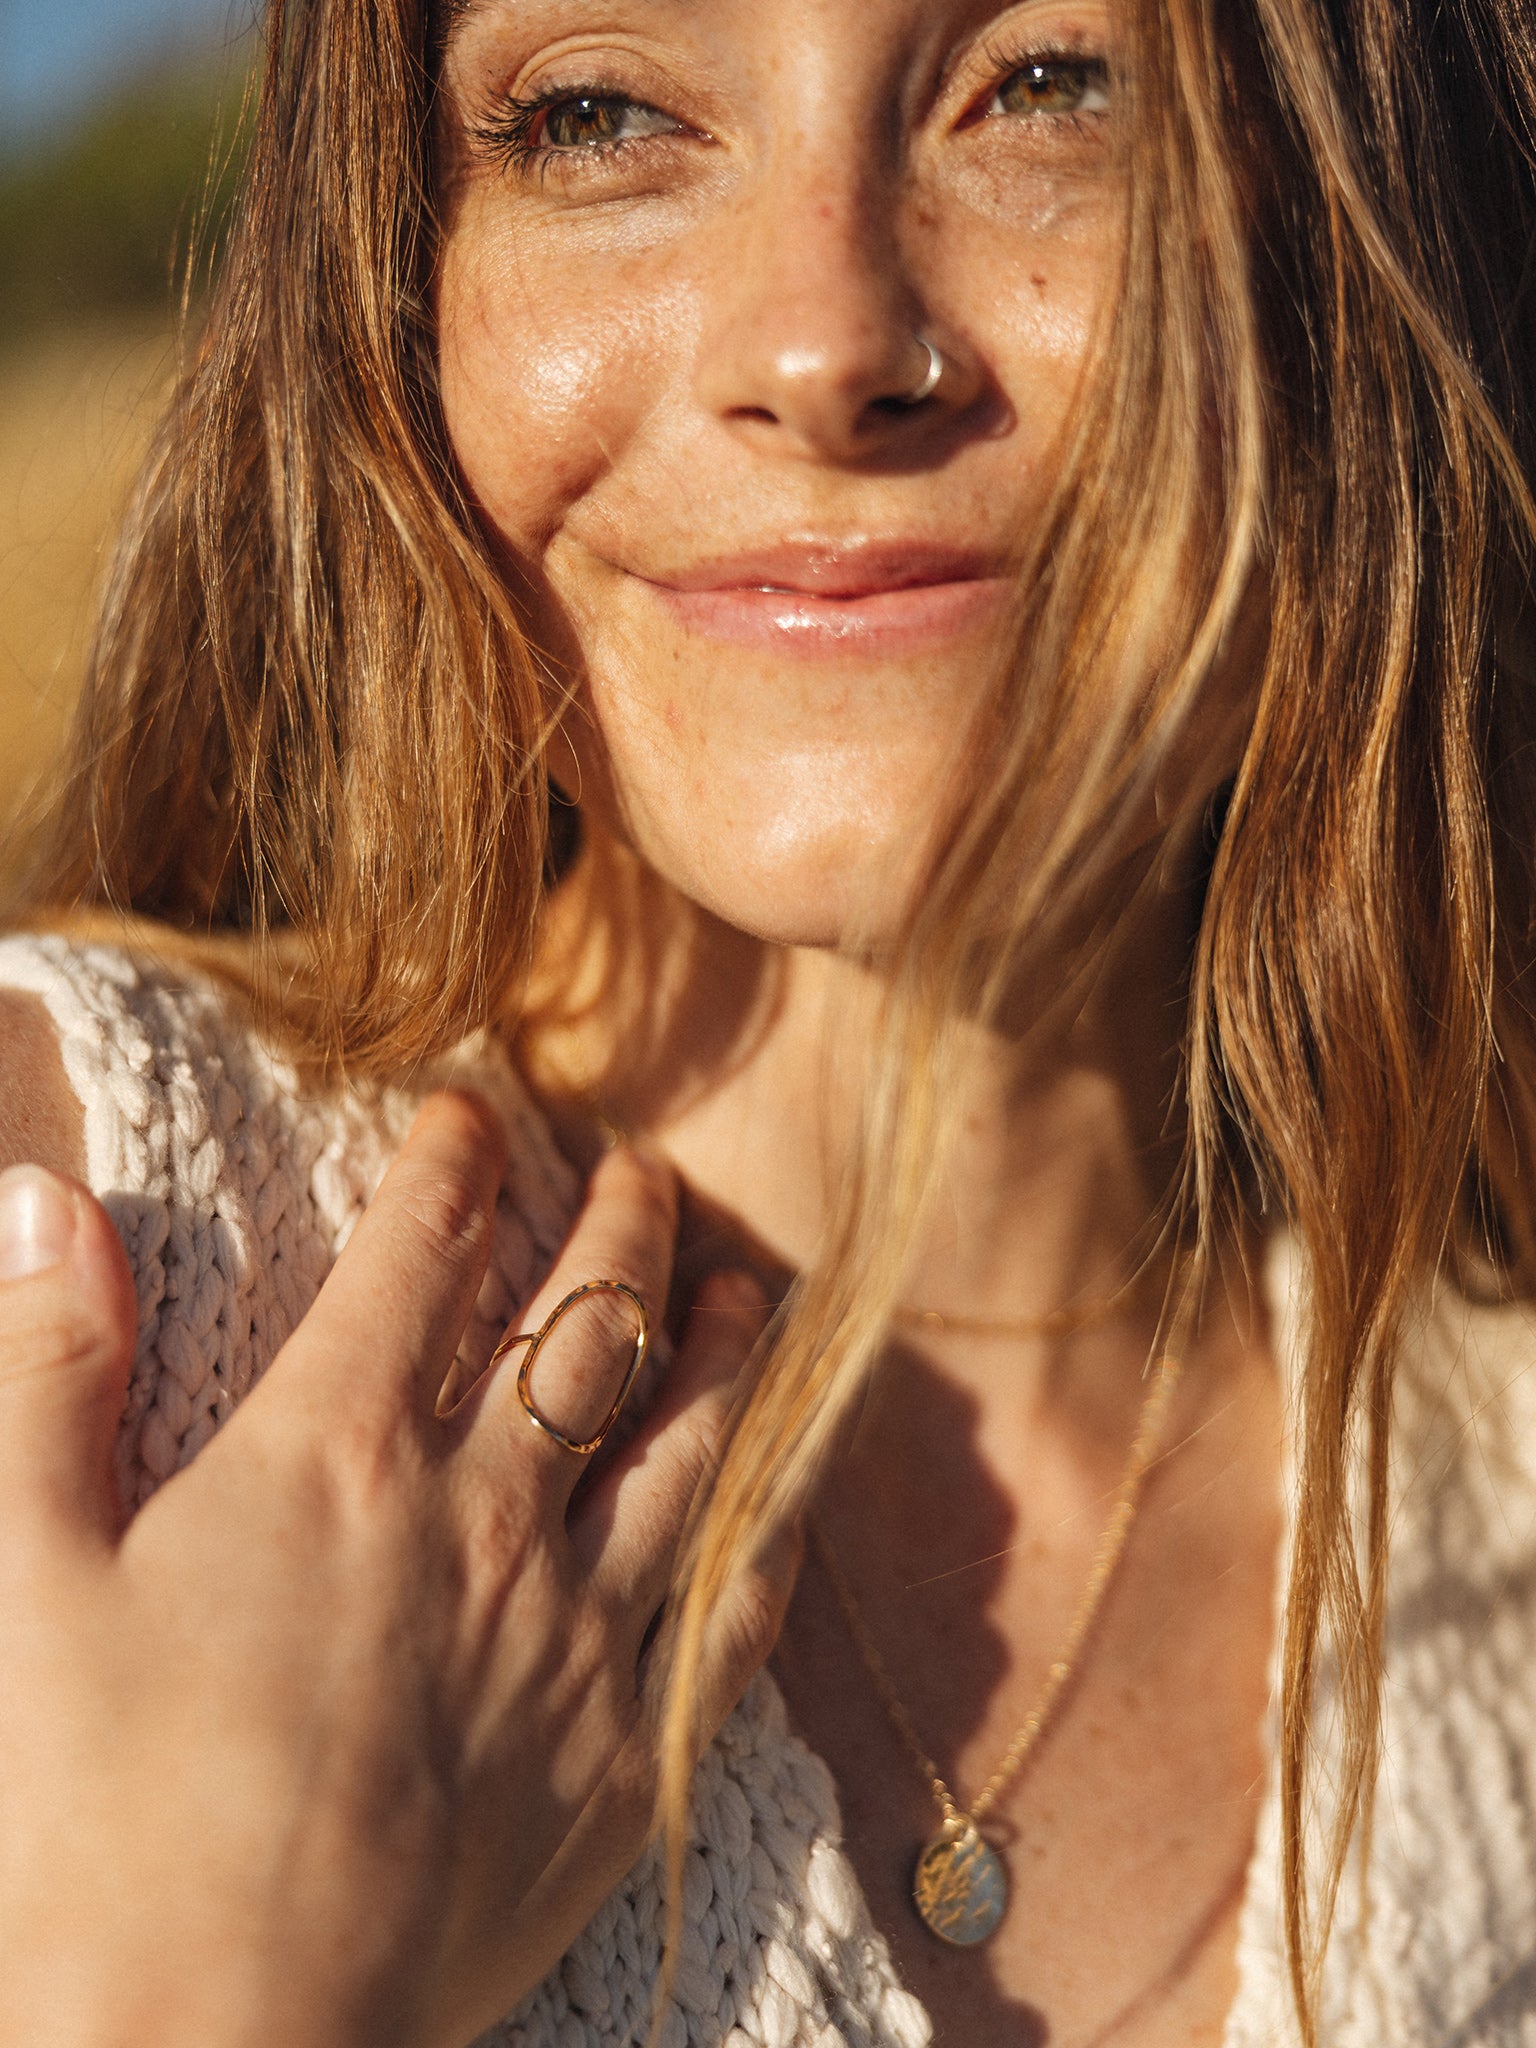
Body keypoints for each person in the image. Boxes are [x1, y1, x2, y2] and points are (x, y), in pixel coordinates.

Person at [1, 0, 1534, 2041]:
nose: (823, 347)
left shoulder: (1493, 1437)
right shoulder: (89, 1264)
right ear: (391, 281)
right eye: (600, 112)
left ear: (1387, 208)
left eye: (1053, 86)